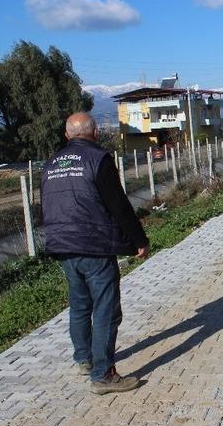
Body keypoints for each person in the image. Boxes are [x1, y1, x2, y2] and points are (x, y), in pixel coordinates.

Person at [41, 112, 150, 394]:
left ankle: (84, 359)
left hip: (62, 245)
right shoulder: (98, 159)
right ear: (96, 133)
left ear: (67, 136)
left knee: (79, 305)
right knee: (106, 309)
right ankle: (103, 375)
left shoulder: (51, 163)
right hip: (95, 245)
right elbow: (118, 204)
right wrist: (138, 239)